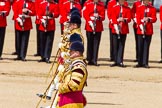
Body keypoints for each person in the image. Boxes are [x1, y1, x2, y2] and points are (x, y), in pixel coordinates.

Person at [135, 0, 157, 68]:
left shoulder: (152, 8)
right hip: (140, 29)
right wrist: (141, 26)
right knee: (140, 46)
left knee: (146, 47)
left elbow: (154, 19)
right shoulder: (139, 7)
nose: (147, 2)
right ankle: (139, 62)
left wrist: (149, 19)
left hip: (148, 30)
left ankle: (145, 62)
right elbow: (137, 18)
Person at [83, 0, 105, 66]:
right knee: (89, 43)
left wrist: (98, 17)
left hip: (98, 27)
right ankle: (89, 59)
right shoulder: (87, 3)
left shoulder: (101, 5)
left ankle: (94, 59)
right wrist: (89, 20)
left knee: (96, 43)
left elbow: (103, 16)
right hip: (89, 26)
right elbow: (85, 14)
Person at [110, 0, 131, 67]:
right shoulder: (114, 8)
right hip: (115, 28)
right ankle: (115, 60)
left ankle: (120, 61)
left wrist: (124, 19)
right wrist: (116, 23)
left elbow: (129, 19)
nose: (122, 2)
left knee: (121, 45)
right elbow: (113, 17)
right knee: (115, 45)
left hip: (123, 29)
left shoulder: (127, 8)